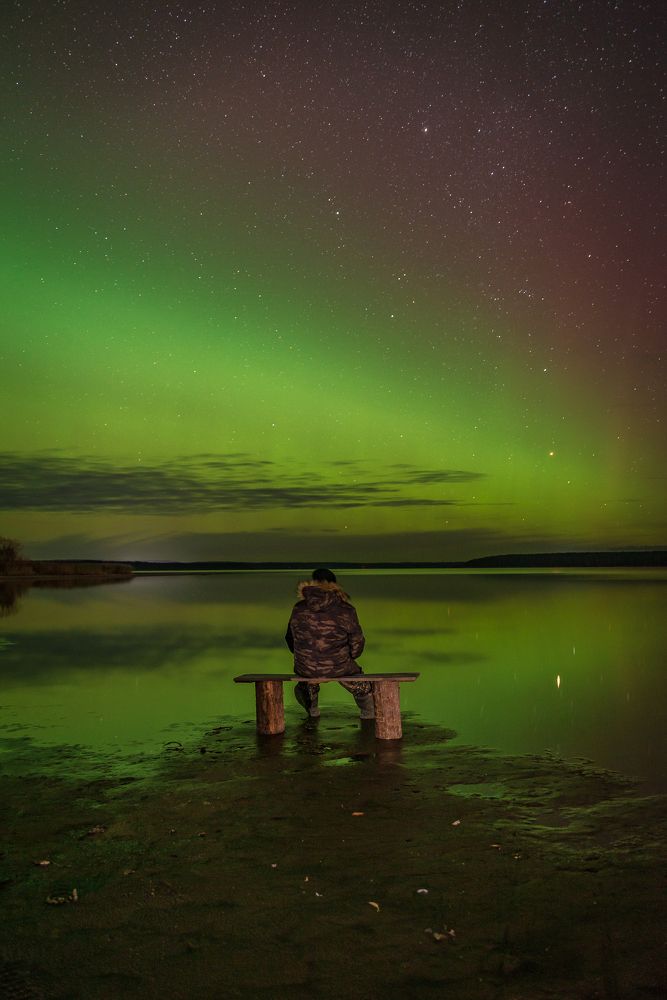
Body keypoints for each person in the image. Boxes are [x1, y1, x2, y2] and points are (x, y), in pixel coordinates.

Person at [285, 567, 375, 719]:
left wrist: (305, 655)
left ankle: (312, 711)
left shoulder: (298, 608)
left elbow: (289, 637)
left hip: (305, 666)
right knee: (359, 681)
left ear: (312, 583)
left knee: (306, 681)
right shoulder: (346, 609)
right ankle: (369, 714)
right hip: (339, 664)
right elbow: (357, 641)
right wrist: (349, 656)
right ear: (335, 585)